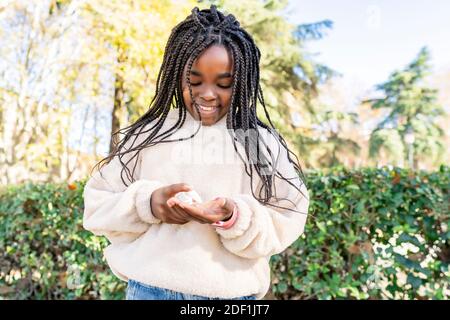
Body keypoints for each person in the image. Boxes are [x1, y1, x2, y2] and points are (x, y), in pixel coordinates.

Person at [83, 5, 309, 300]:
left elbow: (288, 214)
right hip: (150, 291)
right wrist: (149, 204)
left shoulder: (254, 140)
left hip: (233, 297)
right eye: (194, 80)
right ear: (177, 75)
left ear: (241, 82)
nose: (208, 94)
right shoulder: (149, 134)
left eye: (224, 83)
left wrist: (235, 216)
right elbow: (98, 206)